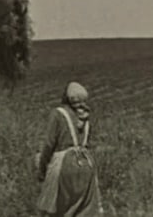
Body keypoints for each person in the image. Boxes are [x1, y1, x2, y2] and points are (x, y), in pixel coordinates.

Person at [35, 82, 103, 217]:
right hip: (87, 164)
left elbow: (49, 144)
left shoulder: (58, 114)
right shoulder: (86, 117)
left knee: (57, 210)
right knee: (83, 211)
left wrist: (42, 169)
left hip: (64, 164)